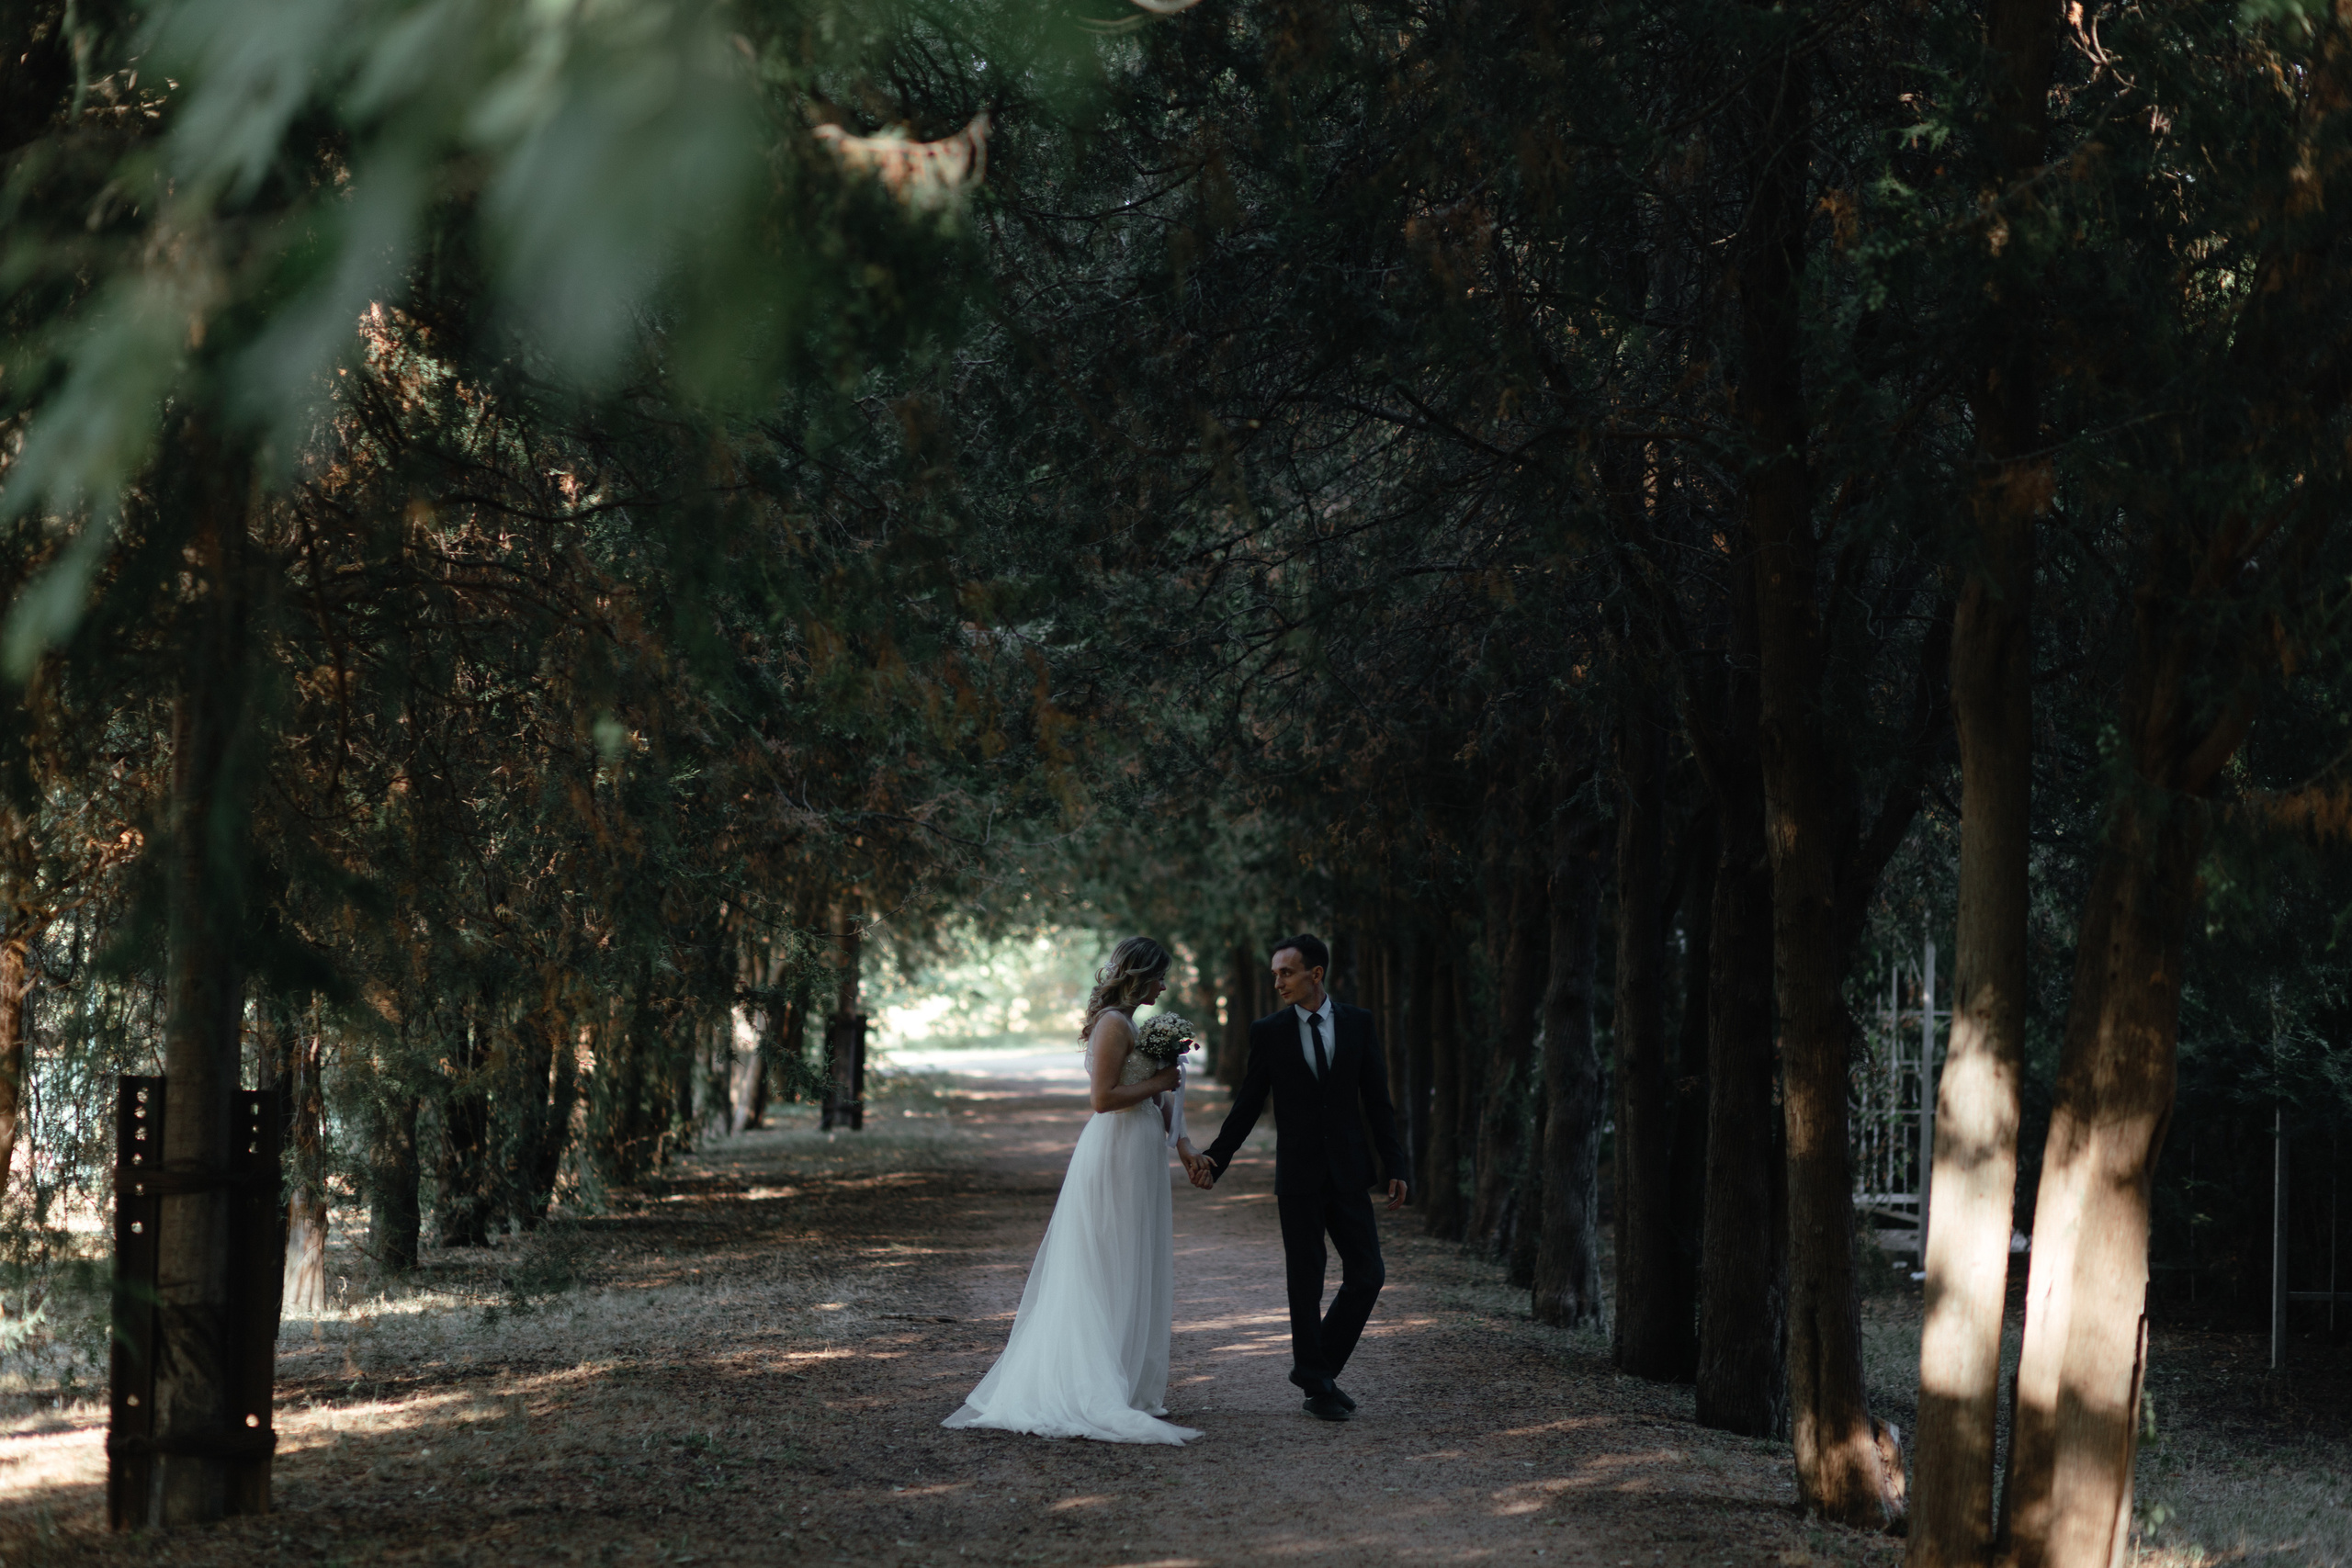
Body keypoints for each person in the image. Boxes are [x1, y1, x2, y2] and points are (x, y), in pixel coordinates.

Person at [943, 936, 1204, 1444]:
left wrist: (1185, 1144)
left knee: (1132, 1259)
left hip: (1141, 1150)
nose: (1163, 986)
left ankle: (1124, 1379)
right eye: (1159, 977)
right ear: (1138, 976)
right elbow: (1103, 1098)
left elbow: (1158, 1099)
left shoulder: (1134, 1025)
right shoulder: (1113, 1024)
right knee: (1108, 1259)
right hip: (1115, 1151)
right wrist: (1161, 1081)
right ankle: (1090, 1382)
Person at [1183, 934, 1408, 1422]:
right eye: (1274, 974)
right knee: (1306, 1280)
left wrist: (1396, 1164)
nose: (1278, 982)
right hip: (1299, 1175)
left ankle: (1314, 1368)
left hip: (1349, 1171)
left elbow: (1377, 1099)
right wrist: (1216, 1159)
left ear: (1316, 973)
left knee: (1368, 1274)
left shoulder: (1358, 1022)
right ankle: (1319, 1385)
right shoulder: (1269, 1031)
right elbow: (1248, 1103)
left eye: (1286, 972)